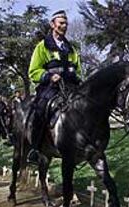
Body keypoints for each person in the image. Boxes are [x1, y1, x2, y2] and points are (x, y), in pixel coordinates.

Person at [26, 9, 82, 164]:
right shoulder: (42, 46)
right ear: (53, 24)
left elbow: (78, 70)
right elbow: (33, 71)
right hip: (50, 88)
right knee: (41, 108)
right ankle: (35, 149)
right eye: (61, 23)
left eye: (66, 23)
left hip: (71, 88)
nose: (64, 26)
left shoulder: (72, 49)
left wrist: (78, 80)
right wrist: (49, 76)